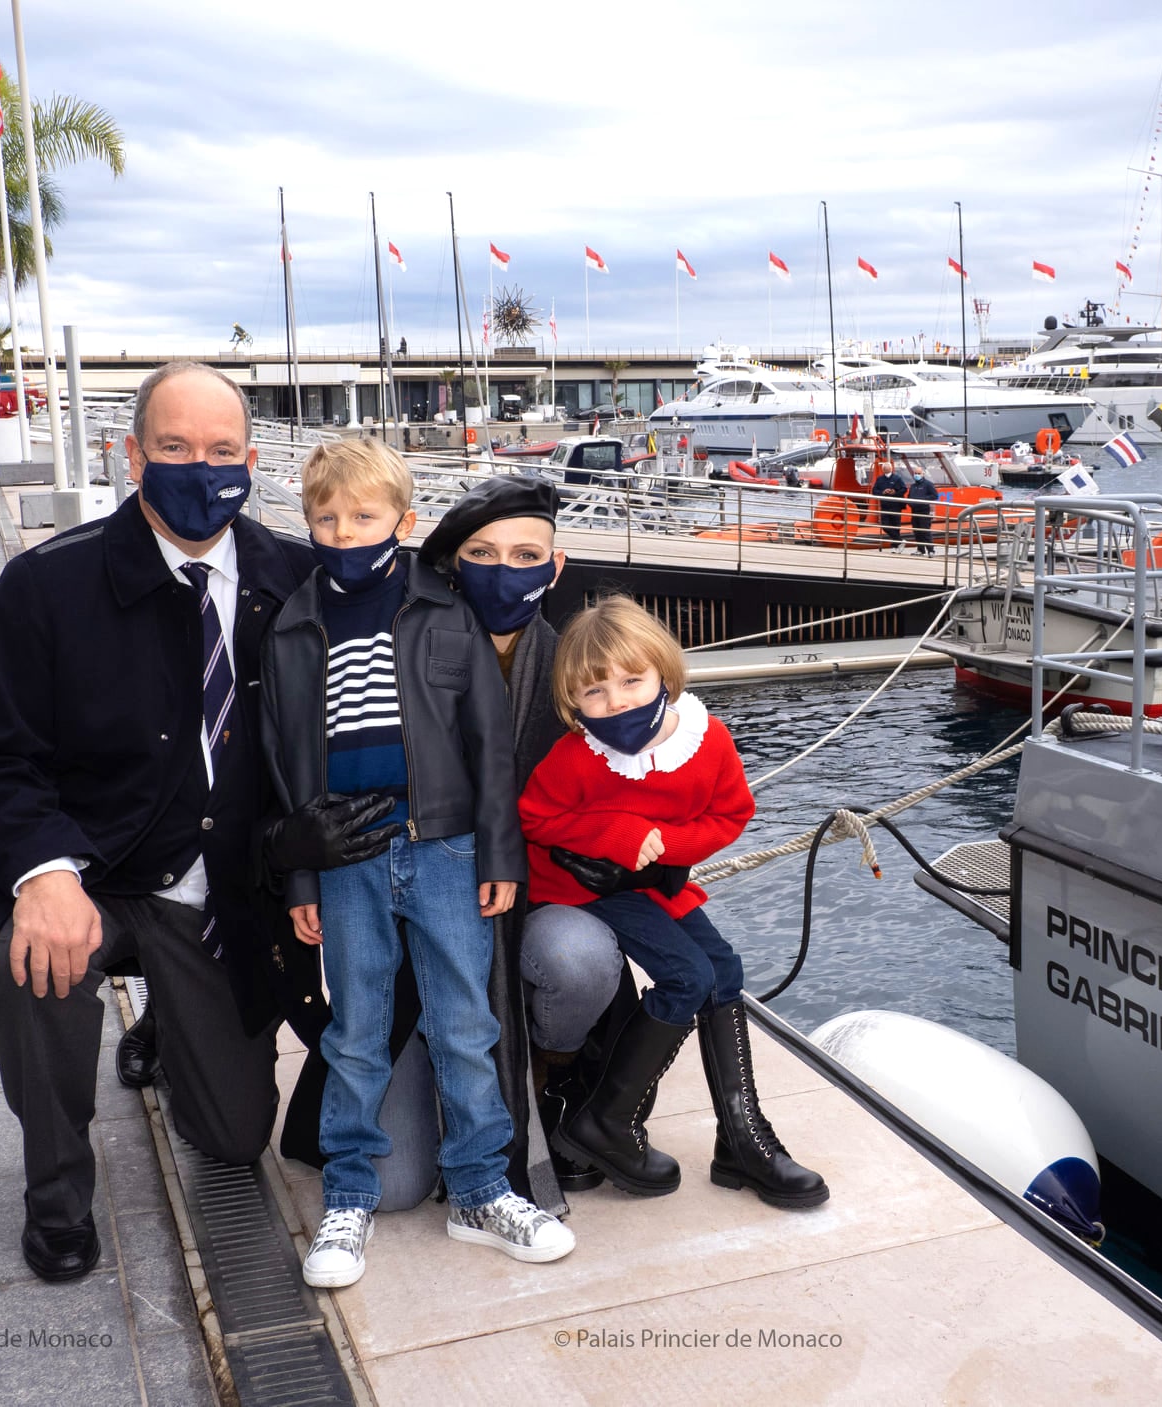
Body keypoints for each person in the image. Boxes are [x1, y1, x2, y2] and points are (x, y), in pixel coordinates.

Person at [0, 361, 324, 1284]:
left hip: (222, 887)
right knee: (30, 960)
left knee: (233, 1138)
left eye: (223, 450)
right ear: (132, 455)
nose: (203, 469)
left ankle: (161, 1023)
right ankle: (57, 1190)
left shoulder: (295, 579)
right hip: (99, 871)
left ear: (252, 455)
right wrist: (43, 875)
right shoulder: (47, 586)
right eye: (175, 448)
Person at [257, 439, 571, 1286]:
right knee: (355, 1029)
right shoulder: (291, 625)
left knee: (465, 1024)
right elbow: (285, 761)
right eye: (326, 517)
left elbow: (487, 748)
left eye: (364, 516)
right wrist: (300, 875)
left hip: (444, 846)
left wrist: (495, 849)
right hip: (348, 857)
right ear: (306, 521)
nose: (344, 531)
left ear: (405, 521)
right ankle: (349, 1195)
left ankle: (479, 1186)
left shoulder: (444, 612)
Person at [519, 598, 829, 1208]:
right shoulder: (577, 755)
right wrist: (619, 835)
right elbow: (534, 817)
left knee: (725, 972)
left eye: (632, 681)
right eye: (596, 692)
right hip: (586, 887)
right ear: (573, 703)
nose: (618, 702)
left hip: (656, 882)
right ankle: (608, 1117)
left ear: (663, 672)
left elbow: (732, 811)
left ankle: (740, 1137)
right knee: (687, 976)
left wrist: (669, 849)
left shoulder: (704, 738)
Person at [420, 477, 626, 1195]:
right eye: (482, 552)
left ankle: (550, 1077)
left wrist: (628, 856)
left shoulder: (582, 672)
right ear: (452, 561)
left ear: (555, 565)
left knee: (576, 958)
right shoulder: (408, 653)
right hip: (425, 905)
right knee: (397, 1183)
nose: (503, 570)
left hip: (540, 896)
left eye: (524, 553)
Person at [905, 461, 940, 555]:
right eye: (915, 473)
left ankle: (931, 550)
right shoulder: (913, 486)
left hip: (924, 511)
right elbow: (909, 497)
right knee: (917, 531)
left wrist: (922, 500)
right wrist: (910, 502)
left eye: (918, 473)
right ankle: (920, 549)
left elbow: (934, 495)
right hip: (914, 511)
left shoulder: (928, 484)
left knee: (925, 531)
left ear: (923, 474)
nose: (916, 475)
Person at [872, 458, 907, 548]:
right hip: (885, 505)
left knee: (896, 525)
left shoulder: (897, 478)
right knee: (885, 525)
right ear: (883, 469)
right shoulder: (880, 479)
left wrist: (894, 492)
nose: (886, 469)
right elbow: (874, 491)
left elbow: (904, 489)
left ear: (891, 468)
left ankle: (895, 545)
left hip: (895, 505)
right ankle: (899, 540)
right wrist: (882, 492)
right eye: (884, 468)